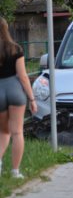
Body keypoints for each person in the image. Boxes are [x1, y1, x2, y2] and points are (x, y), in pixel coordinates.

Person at [0, 17, 38, 179]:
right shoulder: (16, 49)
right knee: (17, 132)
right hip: (15, 92)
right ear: (6, 28)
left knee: (3, 131)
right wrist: (32, 99)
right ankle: (15, 171)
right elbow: (23, 77)